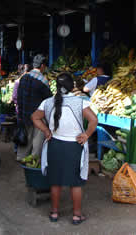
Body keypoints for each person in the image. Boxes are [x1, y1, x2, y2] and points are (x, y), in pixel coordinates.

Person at [31, 73, 98, 225]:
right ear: (72, 86)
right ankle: (76, 215)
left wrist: (47, 131)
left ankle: (54, 213)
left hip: (54, 145)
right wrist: (86, 134)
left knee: (55, 182)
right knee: (76, 182)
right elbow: (94, 120)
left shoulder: (47, 102)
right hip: (74, 147)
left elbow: (34, 117)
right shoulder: (80, 102)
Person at [16, 54, 52, 161]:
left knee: (26, 135)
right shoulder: (43, 81)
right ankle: (34, 158)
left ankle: (21, 156)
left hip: (24, 113)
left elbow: (19, 97)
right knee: (37, 139)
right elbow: (49, 100)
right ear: (42, 66)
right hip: (37, 116)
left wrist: (20, 114)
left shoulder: (23, 78)